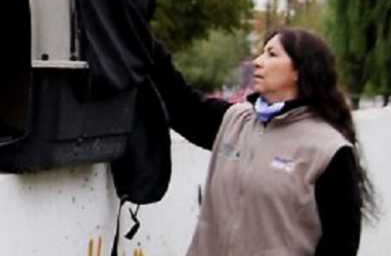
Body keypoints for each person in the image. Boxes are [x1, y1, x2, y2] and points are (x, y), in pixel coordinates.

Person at [150, 27, 377, 256]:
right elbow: (182, 105)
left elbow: (341, 245)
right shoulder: (235, 121)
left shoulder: (328, 150)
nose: (257, 62)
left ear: (299, 70)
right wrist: (138, 31)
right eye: (261, 53)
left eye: (271, 54)